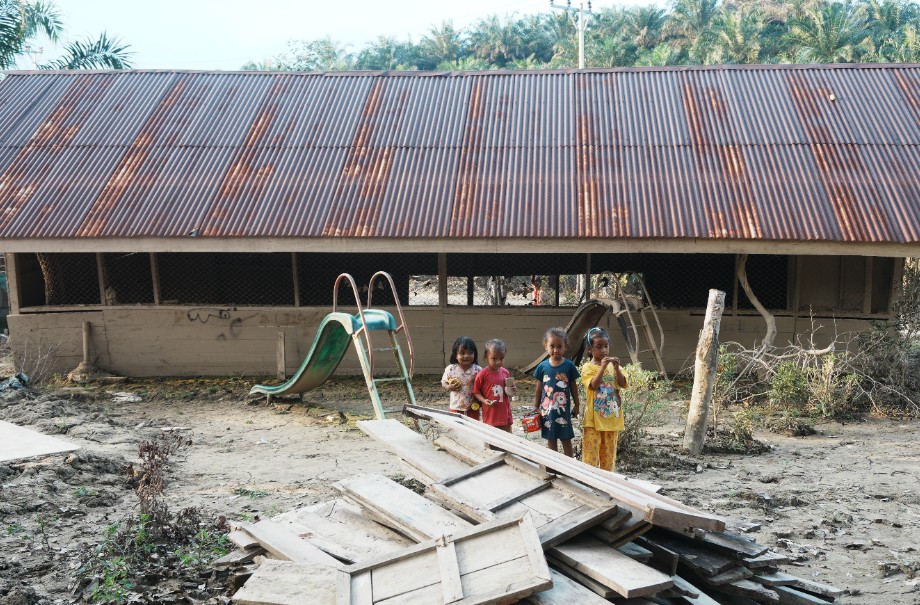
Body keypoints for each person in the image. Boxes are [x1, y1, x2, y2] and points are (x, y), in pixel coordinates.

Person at [580, 327, 628, 471]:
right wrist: (602, 368)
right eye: (599, 347)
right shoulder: (588, 367)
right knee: (590, 457)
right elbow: (593, 386)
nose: (603, 350)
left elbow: (622, 383)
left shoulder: (614, 367)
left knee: (608, 458)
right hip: (593, 421)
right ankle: (588, 481)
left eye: (606, 346)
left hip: (612, 420)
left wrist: (617, 368)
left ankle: (608, 483)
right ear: (589, 349)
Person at [532, 327, 581, 457]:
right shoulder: (542, 366)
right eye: (552, 346)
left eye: (559, 346)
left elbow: (573, 387)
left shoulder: (569, 366)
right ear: (545, 346)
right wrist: (536, 406)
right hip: (547, 411)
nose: (555, 350)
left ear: (565, 347)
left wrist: (577, 404)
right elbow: (539, 388)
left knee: (566, 438)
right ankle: (553, 467)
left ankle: (570, 468)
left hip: (563, 410)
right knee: (551, 438)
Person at [473, 339, 513, 432]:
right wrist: (484, 400)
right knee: (491, 437)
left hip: (504, 411)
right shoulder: (482, 374)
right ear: (486, 358)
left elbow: (510, 391)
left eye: (501, 358)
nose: (498, 362)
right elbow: (476, 391)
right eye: (494, 359)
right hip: (491, 412)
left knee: (508, 437)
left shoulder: (505, 372)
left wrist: (512, 390)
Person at [441, 336, 482, 419]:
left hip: (473, 406)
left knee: (473, 427)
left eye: (470, 353)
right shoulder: (451, 369)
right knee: (457, 427)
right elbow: (443, 382)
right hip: (456, 406)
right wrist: (448, 387)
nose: (466, 356)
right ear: (455, 355)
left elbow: (483, 386)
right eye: (462, 353)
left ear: (475, 354)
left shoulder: (478, 370)